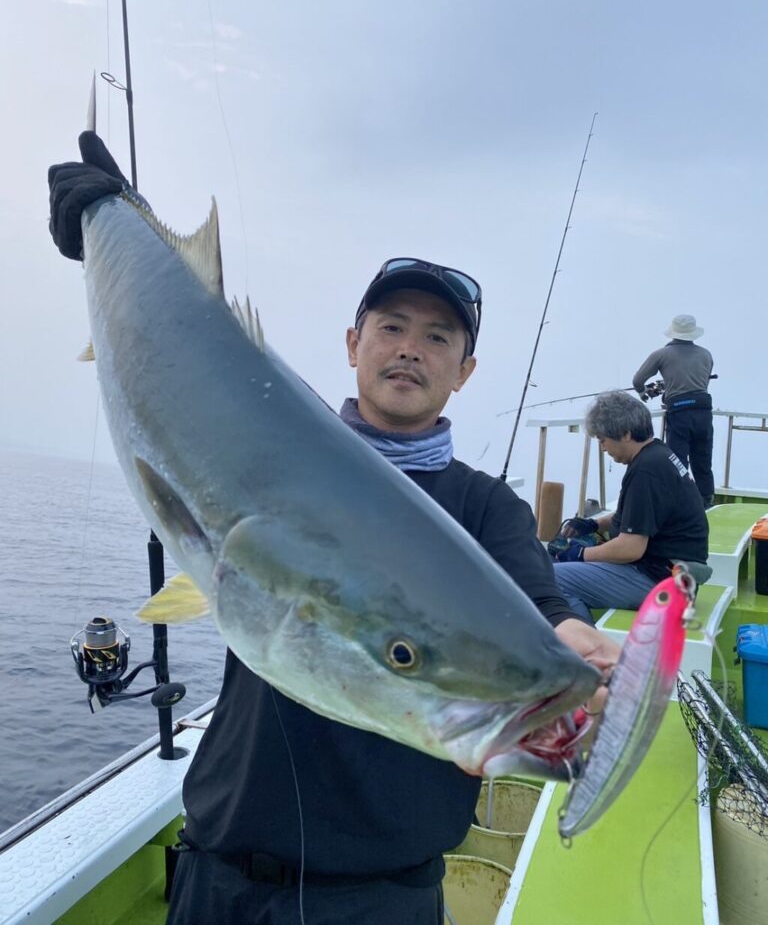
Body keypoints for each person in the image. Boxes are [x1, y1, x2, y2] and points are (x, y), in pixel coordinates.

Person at [48, 133, 619, 925]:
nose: (410, 350)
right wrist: (107, 224)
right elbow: (168, 347)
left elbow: (534, 599)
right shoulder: (267, 433)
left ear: (465, 372)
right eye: (391, 327)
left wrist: (565, 636)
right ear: (353, 345)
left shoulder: (487, 506)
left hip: (382, 898)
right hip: (218, 872)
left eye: (439, 338)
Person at [552, 390, 709, 623]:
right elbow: (639, 514)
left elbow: (630, 549)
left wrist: (580, 554)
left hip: (660, 579)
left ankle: (583, 643)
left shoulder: (646, 470)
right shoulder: (658, 454)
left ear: (625, 434)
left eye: (603, 440)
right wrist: (593, 524)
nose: (603, 448)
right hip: (675, 573)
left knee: (550, 579)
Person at [632, 314, 715, 507]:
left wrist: (644, 392)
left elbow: (637, 381)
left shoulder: (661, 354)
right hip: (703, 411)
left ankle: (681, 501)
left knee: (678, 461)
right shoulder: (706, 354)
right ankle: (706, 500)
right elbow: (702, 382)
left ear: (673, 332)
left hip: (680, 413)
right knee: (703, 459)